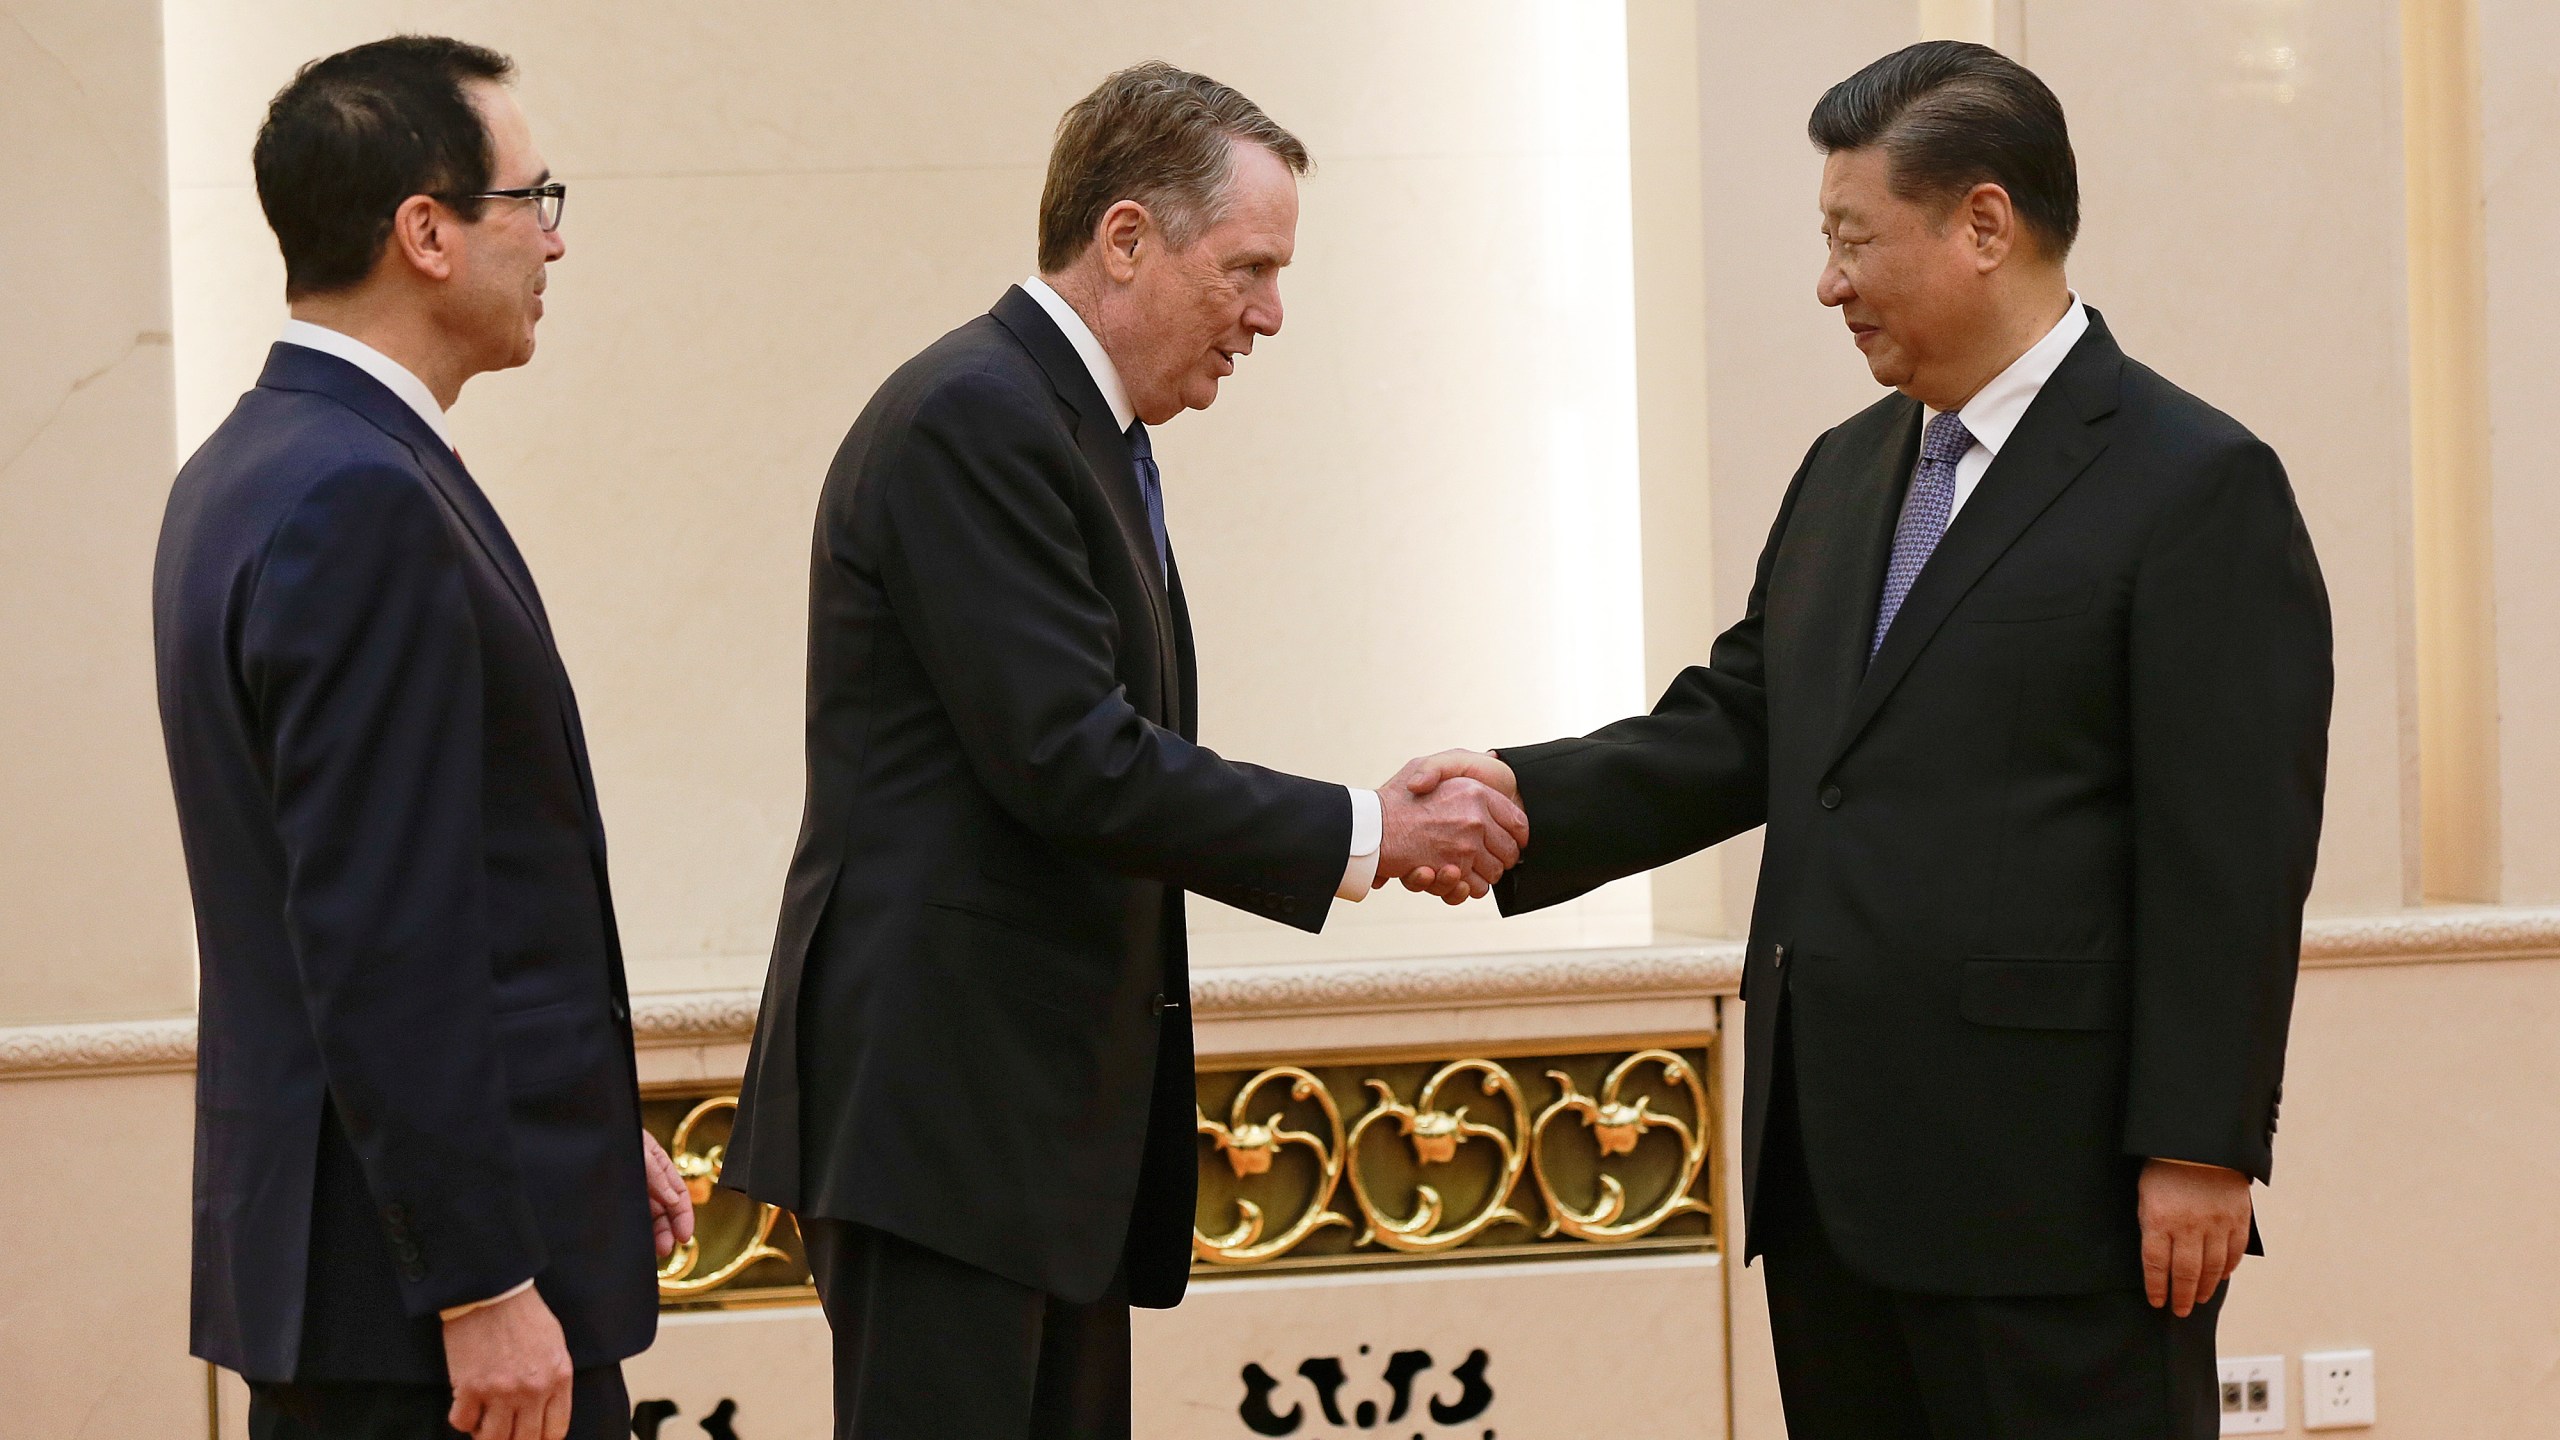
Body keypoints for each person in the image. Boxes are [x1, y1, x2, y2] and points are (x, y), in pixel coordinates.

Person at [1401, 41, 2332, 1439]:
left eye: (1851, 240)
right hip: (1831, 1179)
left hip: (2054, 1193)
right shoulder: (1849, 472)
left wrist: (2202, 1145)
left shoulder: (2195, 485)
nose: (1827, 282)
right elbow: (1745, 726)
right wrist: (1522, 795)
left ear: (1983, 225)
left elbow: (2233, 852)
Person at [721, 61, 1528, 1440]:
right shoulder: (976, 415)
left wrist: (1365, 819)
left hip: (1027, 1135)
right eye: (1250, 268)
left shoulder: (1073, 430)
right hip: (946, 1123)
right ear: (1128, 240)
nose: (1271, 314)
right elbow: (1073, 761)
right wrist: (1367, 831)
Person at [152, 37, 692, 1440]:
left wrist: (571, 1144)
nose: (557, 243)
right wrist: (482, 1278)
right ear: (426, 231)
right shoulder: (359, 499)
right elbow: (380, 930)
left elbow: (443, 905)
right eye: (535, 198)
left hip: (364, 1272)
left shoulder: (248, 467)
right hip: (425, 1324)